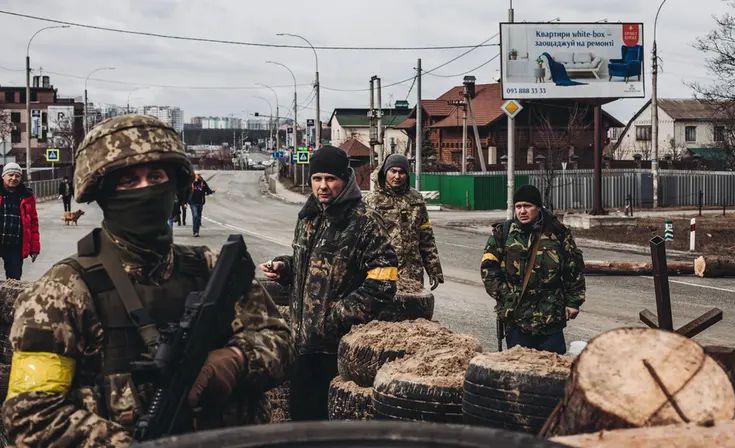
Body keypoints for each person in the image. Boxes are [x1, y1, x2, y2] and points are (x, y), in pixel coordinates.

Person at [1, 115, 295, 446]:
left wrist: (235, 361)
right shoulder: (61, 292)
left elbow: (280, 340)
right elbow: (30, 419)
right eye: (129, 181)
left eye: (156, 177)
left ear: (176, 187)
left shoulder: (209, 268)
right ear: (104, 194)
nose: (146, 190)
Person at [259, 145, 398, 421]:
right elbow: (308, 264)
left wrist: (337, 317)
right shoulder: (309, 217)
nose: (323, 186)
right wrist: (285, 268)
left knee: (327, 430)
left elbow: (385, 279)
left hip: (336, 350)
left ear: (345, 179)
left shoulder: (364, 222)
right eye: (317, 178)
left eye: (330, 179)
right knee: (301, 425)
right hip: (302, 344)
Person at [480, 185, 585, 354]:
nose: (522, 211)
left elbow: (573, 269)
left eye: (528, 206)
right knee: (519, 368)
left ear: (538, 207)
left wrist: (574, 302)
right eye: (518, 206)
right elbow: (488, 270)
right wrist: (506, 296)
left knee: (552, 370)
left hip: (550, 315)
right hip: (517, 317)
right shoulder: (503, 233)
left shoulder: (557, 233)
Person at [365, 154, 444, 292]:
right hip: (382, 274)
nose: (397, 176)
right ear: (385, 172)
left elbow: (426, 237)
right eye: (393, 171)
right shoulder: (372, 201)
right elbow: (363, 241)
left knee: (413, 312)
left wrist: (434, 269)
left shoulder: (416, 199)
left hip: (412, 274)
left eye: (401, 172)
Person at [0, 162, 39, 280]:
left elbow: (33, 223)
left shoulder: (27, 196)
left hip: (15, 245)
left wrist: (35, 248)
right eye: (10, 175)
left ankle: (11, 299)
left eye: (17, 176)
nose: (13, 178)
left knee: (14, 279)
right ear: (3, 176)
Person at [188, 173, 215, 237]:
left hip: (200, 202)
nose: (197, 175)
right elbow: (186, 192)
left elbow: (207, 190)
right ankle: (195, 232)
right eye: (196, 174)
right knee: (195, 216)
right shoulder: (190, 183)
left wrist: (211, 191)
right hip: (193, 202)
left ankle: (197, 230)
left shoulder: (202, 183)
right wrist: (185, 202)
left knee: (198, 216)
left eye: (198, 175)